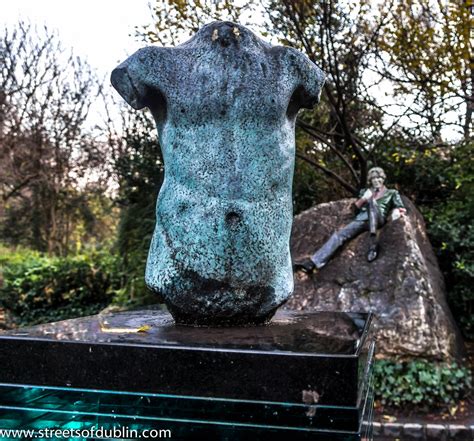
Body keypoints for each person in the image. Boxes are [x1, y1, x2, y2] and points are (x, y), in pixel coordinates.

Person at [294, 167, 406, 273]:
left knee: (372, 203)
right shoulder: (365, 191)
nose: (376, 180)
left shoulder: (391, 193)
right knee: (340, 235)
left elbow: (400, 206)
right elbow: (355, 209)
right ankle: (313, 262)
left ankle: (373, 244)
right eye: (373, 179)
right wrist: (363, 198)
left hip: (378, 218)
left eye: (378, 178)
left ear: (383, 178)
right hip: (361, 219)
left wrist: (397, 212)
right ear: (370, 180)